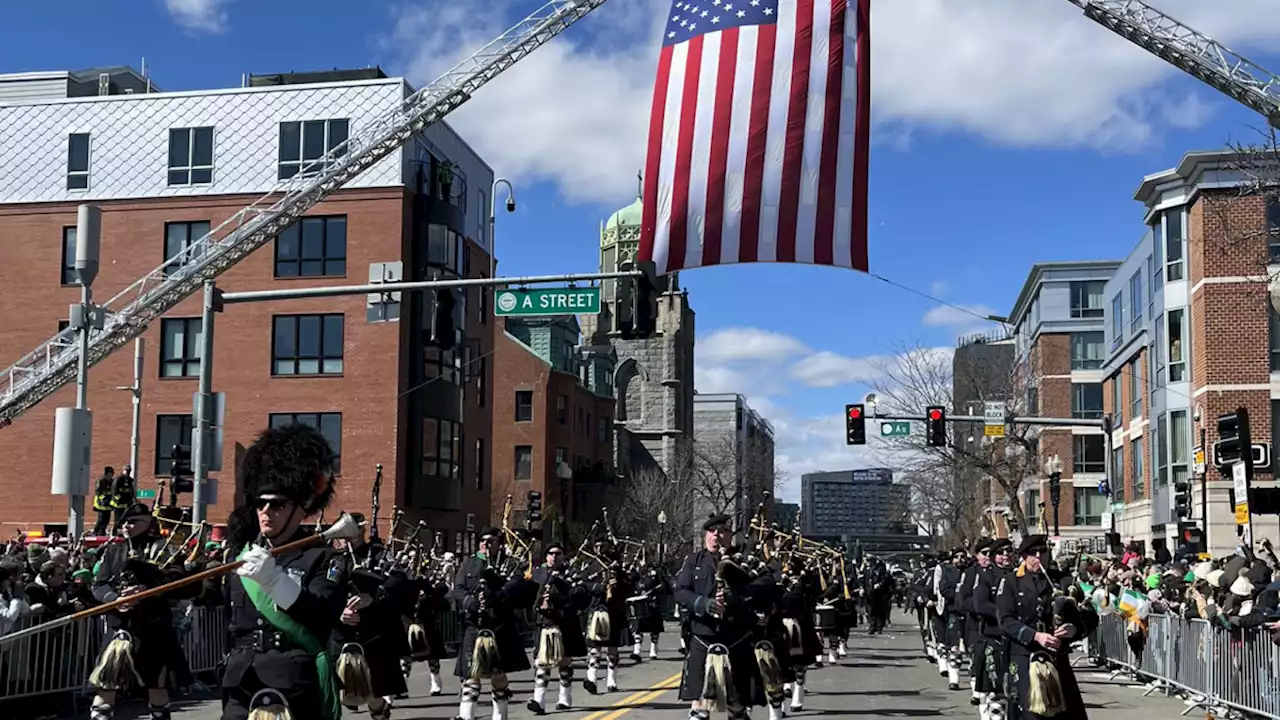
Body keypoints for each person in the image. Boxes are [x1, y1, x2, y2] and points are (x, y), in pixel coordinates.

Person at [219, 424, 346, 720]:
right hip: (240, 678)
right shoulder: (241, 558)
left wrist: (275, 581)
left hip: (292, 678)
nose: (265, 511)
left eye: (276, 505)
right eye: (260, 504)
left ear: (300, 509)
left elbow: (321, 615)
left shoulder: (323, 558)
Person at [88, 502, 196, 720]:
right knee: (106, 684)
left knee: (156, 685)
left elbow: (180, 583)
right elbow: (99, 585)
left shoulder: (164, 548)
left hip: (152, 629)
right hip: (120, 629)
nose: (126, 526)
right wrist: (114, 599)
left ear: (147, 523)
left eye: (132, 521)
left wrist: (149, 590)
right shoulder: (114, 550)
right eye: (124, 522)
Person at [674, 514, 764, 720]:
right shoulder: (693, 561)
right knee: (698, 704)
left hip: (736, 639)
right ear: (706, 535)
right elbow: (680, 591)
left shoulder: (745, 560)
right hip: (702, 637)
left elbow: (765, 588)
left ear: (730, 535)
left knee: (737, 704)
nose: (716, 536)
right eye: (712, 532)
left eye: (722, 532)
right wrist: (704, 604)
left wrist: (737, 597)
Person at [997, 535, 1089, 720]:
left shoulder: (1064, 581)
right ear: (1023, 556)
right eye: (1033, 553)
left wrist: (1073, 629)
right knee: (1032, 714)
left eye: (1043, 552)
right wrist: (1035, 636)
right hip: (1025, 656)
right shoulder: (1010, 582)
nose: (1039, 556)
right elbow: (1005, 620)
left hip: (1057, 659)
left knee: (1063, 714)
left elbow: (1088, 616)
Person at [447, 527, 533, 720]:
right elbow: (457, 590)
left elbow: (517, 587)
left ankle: (500, 716)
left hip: (499, 626)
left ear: (499, 543)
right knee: (471, 675)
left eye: (491, 541)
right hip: (475, 625)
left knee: (498, 675)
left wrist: (498, 596)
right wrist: (470, 602)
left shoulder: (510, 564)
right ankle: (466, 716)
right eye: (483, 540)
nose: (486, 544)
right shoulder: (468, 564)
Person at [527, 542, 587, 714]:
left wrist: (563, 585)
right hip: (544, 622)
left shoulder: (571, 573)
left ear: (563, 556)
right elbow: (530, 597)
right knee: (542, 662)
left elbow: (581, 593)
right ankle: (539, 700)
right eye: (551, 553)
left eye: (558, 553)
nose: (554, 556)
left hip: (565, 622)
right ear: (546, 557)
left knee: (564, 661)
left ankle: (565, 697)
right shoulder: (537, 574)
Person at [92, 466, 116, 536]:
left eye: (111, 474)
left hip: (108, 505)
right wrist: (103, 498)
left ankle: (102, 532)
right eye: (109, 474)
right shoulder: (100, 481)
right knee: (100, 520)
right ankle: (95, 532)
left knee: (106, 520)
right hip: (101, 504)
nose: (110, 476)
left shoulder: (113, 482)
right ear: (105, 474)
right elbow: (97, 492)